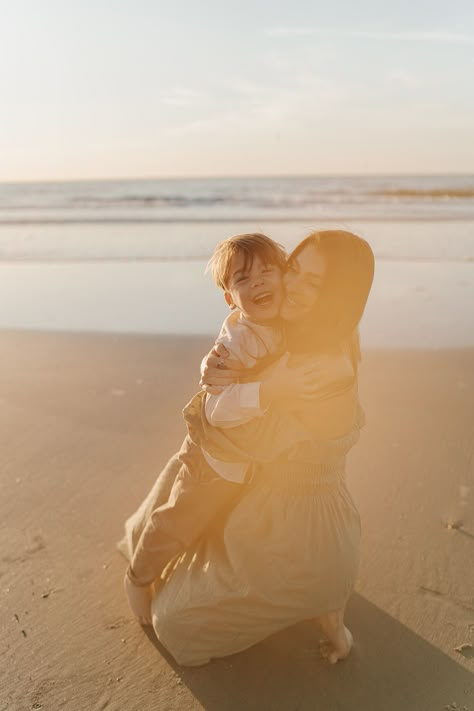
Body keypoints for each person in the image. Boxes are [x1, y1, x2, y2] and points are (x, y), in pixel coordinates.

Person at [121, 229, 374, 666]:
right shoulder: (276, 325)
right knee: (178, 516)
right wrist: (220, 363)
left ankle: (320, 599)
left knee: (178, 621)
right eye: (293, 268)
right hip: (230, 470)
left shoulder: (319, 366)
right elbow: (237, 356)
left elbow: (242, 420)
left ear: (337, 294)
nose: (286, 285)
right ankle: (139, 574)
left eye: (311, 282)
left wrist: (242, 386)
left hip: (294, 510)